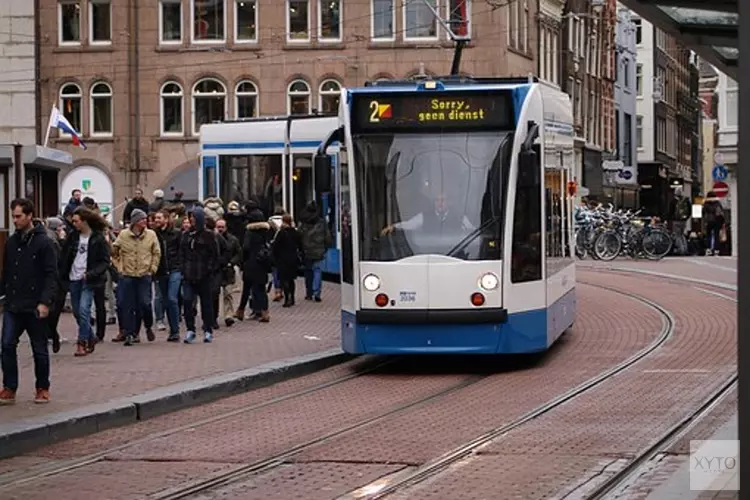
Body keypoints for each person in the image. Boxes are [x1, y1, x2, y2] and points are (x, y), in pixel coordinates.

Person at [0, 199, 58, 404]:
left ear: (29, 215)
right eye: (13, 216)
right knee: (6, 345)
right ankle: (9, 387)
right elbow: (6, 273)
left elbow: (51, 275)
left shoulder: (44, 242)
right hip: (13, 304)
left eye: (18, 216)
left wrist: (45, 301)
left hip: (35, 305)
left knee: (39, 348)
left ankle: (42, 387)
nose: (15, 220)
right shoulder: (12, 242)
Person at [62, 207, 111, 356]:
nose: (74, 224)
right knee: (77, 313)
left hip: (88, 280)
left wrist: (91, 273)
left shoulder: (98, 238)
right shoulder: (73, 237)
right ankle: (91, 336)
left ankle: (81, 342)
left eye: (76, 221)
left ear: (84, 221)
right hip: (73, 278)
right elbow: (65, 256)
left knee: (84, 310)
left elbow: (104, 261)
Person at [111, 208, 161, 346]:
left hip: (144, 274)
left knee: (144, 303)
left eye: (145, 219)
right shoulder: (123, 235)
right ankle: (130, 334)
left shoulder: (151, 235)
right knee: (127, 305)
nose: (144, 221)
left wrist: (152, 269)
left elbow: (156, 253)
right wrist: (119, 268)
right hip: (127, 275)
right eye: (141, 219)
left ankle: (148, 326)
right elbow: (114, 252)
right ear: (134, 222)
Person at [180, 206, 221, 343]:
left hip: (204, 275)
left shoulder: (209, 235)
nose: (191, 220)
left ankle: (208, 329)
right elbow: (182, 254)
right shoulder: (186, 236)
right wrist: (183, 269)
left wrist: (209, 270)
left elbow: (214, 255)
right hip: (188, 274)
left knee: (206, 304)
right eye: (190, 217)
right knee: (187, 301)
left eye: (193, 217)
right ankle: (190, 329)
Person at [380, 192, 474, 235]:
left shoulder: (459, 217)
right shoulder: (424, 216)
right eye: (437, 200)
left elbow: (473, 231)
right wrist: (394, 226)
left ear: (448, 202)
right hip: (428, 254)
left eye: (443, 200)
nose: (440, 203)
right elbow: (409, 224)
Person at [153, 209, 183, 341]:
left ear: (166, 219)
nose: (156, 220)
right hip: (161, 271)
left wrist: (181, 267)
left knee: (172, 298)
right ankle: (172, 331)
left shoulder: (176, 234)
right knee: (165, 300)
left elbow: (182, 251)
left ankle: (175, 330)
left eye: (159, 218)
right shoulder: (154, 234)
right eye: (155, 218)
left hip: (175, 270)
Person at [241, 208, 273, 322]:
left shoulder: (249, 233)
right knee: (261, 289)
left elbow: (246, 248)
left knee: (248, 289)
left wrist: (243, 261)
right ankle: (265, 312)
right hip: (262, 264)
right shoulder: (266, 231)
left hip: (251, 263)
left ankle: (243, 311)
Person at [297, 201, 333, 302]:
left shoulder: (303, 222)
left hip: (306, 251)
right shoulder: (321, 222)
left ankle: (309, 293)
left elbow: (299, 235)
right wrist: (326, 246)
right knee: (317, 270)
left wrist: (300, 248)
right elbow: (327, 236)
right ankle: (317, 292)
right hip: (319, 250)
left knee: (308, 272)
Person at [215, 218, 242, 327]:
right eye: (218, 227)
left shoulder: (233, 240)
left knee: (228, 294)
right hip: (216, 270)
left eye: (222, 227)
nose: (220, 229)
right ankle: (214, 315)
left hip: (228, 270)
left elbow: (239, 253)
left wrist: (232, 262)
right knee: (214, 294)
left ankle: (228, 315)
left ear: (226, 227)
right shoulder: (212, 239)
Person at [272, 214, 303, 307]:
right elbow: (300, 245)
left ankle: (287, 298)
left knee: (284, 279)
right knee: (291, 279)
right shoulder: (295, 232)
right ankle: (292, 298)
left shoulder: (281, 232)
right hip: (293, 258)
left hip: (283, 259)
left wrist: (275, 257)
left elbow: (275, 246)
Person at [702, 191, 725, 256]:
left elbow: (703, 212)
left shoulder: (706, 203)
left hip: (709, 221)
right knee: (716, 235)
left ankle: (708, 249)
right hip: (717, 221)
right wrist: (722, 221)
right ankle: (716, 250)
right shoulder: (717, 203)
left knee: (708, 235)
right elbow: (721, 212)